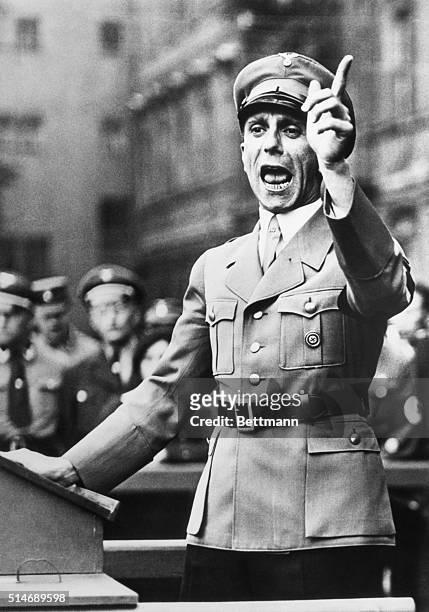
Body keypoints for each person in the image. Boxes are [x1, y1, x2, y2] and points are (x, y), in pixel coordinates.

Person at [3, 52, 414, 601]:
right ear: (243, 152)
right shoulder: (216, 268)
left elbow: (387, 292)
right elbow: (164, 398)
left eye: (293, 130)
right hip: (224, 522)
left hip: (327, 526)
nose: (272, 145)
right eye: (257, 129)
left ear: (320, 145)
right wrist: (72, 469)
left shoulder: (356, 246)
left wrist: (339, 173)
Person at [58, 264, 146, 448]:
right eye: (101, 310)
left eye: (119, 308)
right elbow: (66, 442)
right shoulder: (75, 375)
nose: (112, 318)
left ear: (136, 313)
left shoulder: (156, 363)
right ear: (91, 319)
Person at [0, 271, 66, 454]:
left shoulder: (57, 365)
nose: (2, 322)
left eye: (12, 313)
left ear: (30, 316)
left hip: (46, 459)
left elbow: (69, 429)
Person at [31, 276, 99, 368]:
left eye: (58, 315)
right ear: (35, 318)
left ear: (68, 311)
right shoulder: (29, 354)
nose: (54, 322)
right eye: (47, 317)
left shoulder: (90, 351)